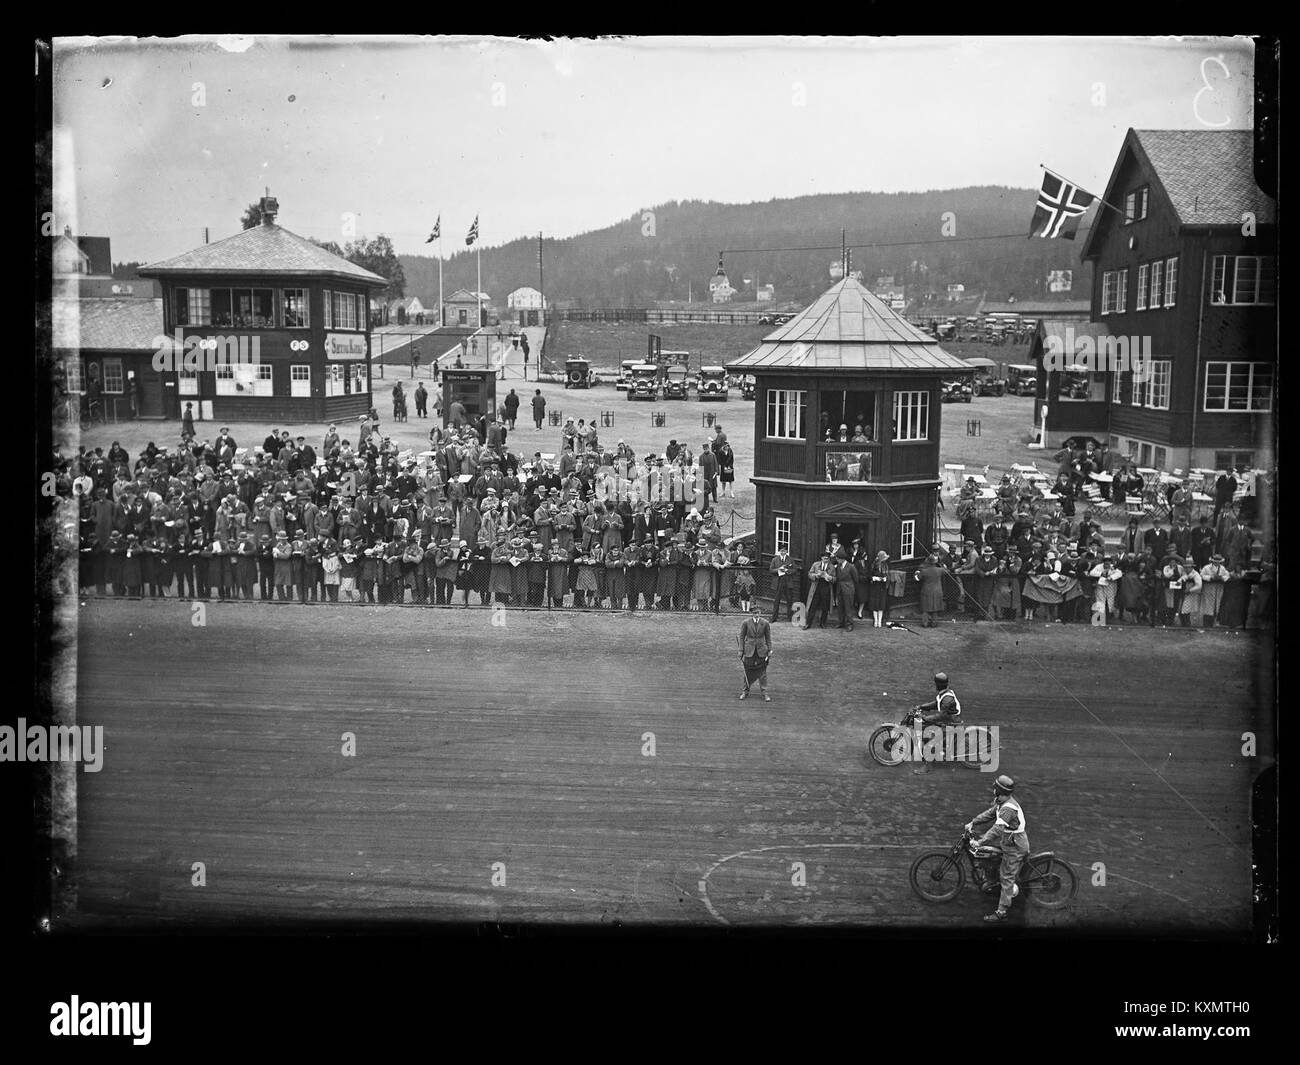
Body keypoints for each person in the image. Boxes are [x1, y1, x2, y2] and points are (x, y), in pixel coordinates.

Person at [966, 774, 1030, 922]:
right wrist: (973, 822)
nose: (993, 790)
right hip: (1008, 841)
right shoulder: (1002, 802)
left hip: (1014, 845)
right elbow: (989, 814)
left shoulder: (1008, 809)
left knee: (1006, 877)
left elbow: (997, 829)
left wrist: (980, 842)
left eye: (995, 788)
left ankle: (1002, 912)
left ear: (999, 791)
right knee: (992, 857)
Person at [738, 603, 772, 701]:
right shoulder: (746, 623)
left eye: (758, 612)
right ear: (751, 613)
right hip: (749, 650)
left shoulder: (765, 623)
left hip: (761, 650)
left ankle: (764, 692)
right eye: (754, 613)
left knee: (763, 672)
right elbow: (741, 637)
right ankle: (745, 691)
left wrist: (770, 649)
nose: (756, 615)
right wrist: (741, 650)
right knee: (747, 671)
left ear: (760, 612)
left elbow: (768, 637)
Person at [914, 553, 946, 628]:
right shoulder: (940, 570)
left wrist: (916, 573)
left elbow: (917, 578)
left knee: (925, 608)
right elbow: (947, 571)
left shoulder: (924, 571)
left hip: (926, 591)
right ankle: (934, 623)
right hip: (937, 591)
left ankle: (925, 623)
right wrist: (943, 566)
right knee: (935, 608)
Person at [769, 545, 795, 622]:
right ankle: (774, 617)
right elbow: (771, 570)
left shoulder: (790, 560)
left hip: (787, 582)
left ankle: (790, 617)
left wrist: (787, 571)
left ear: (787, 551)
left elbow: (795, 570)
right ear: (779, 551)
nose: (783, 552)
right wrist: (778, 569)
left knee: (789, 600)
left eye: (784, 551)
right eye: (781, 551)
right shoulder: (775, 559)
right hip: (778, 582)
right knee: (776, 600)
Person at [834, 553, 858, 630]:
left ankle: (849, 624)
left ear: (842, 559)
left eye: (837, 559)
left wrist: (851, 588)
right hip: (840, 589)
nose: (836, 560)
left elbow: (856, 579)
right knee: (840, 607)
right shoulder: (838, 566)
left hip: (848, 589)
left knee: (848, 607)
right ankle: (841, 622)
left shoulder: (851, 567)